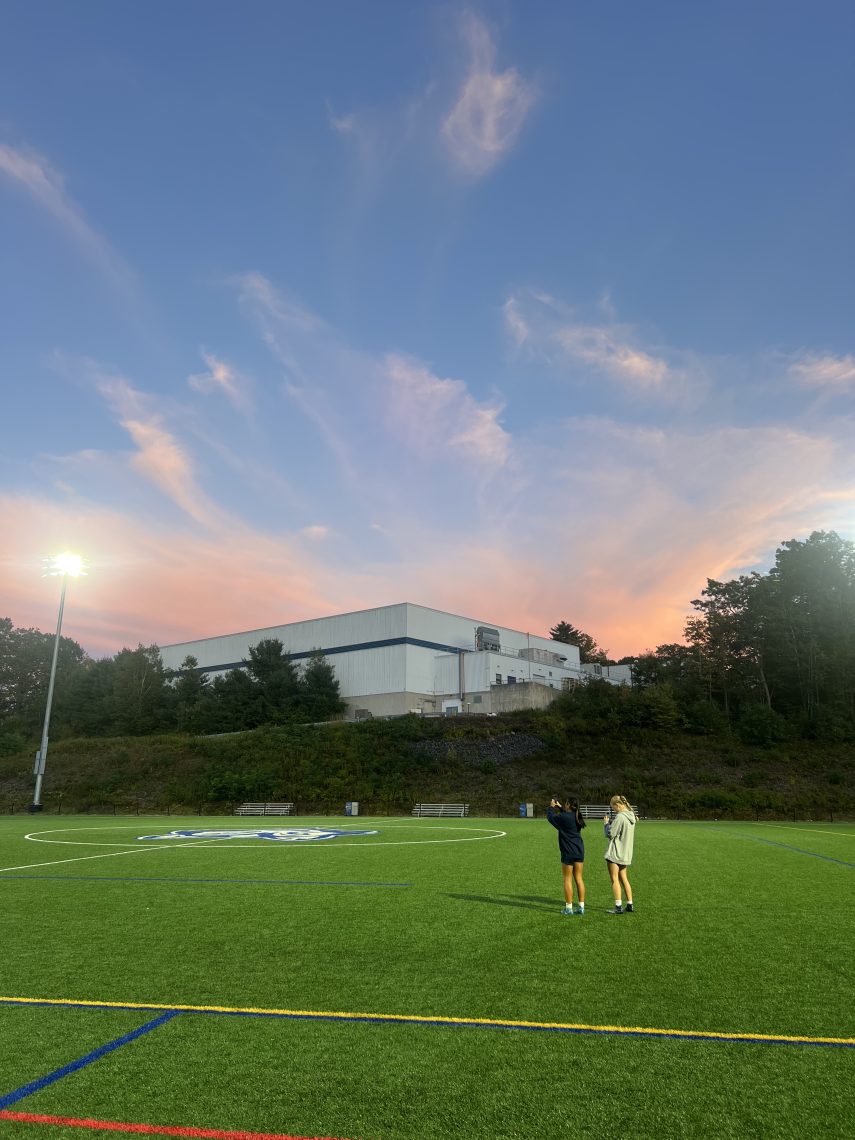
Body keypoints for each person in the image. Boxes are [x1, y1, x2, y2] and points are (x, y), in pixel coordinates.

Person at [547, 796, 586, 916]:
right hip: (579, 850)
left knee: (567, 879)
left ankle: (569, 908)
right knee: (579, 879)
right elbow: (568, 816)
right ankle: (581, 907)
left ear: (568, 804)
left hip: (568, 851)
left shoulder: (563, 817)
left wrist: (551, 807)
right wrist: (560, 807)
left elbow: (551, 818)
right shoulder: (578, 816)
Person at [603, 795, 636, 914]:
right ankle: (630, 904)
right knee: (624, 879)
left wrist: (606, 824)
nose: (614, 810)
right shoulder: (631, 816)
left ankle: (618, 907)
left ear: (618, 805)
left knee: (614, 879)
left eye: (613, 808)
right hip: (626, 853)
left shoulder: (620, 817)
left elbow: (611, 834)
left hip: (615, 853)